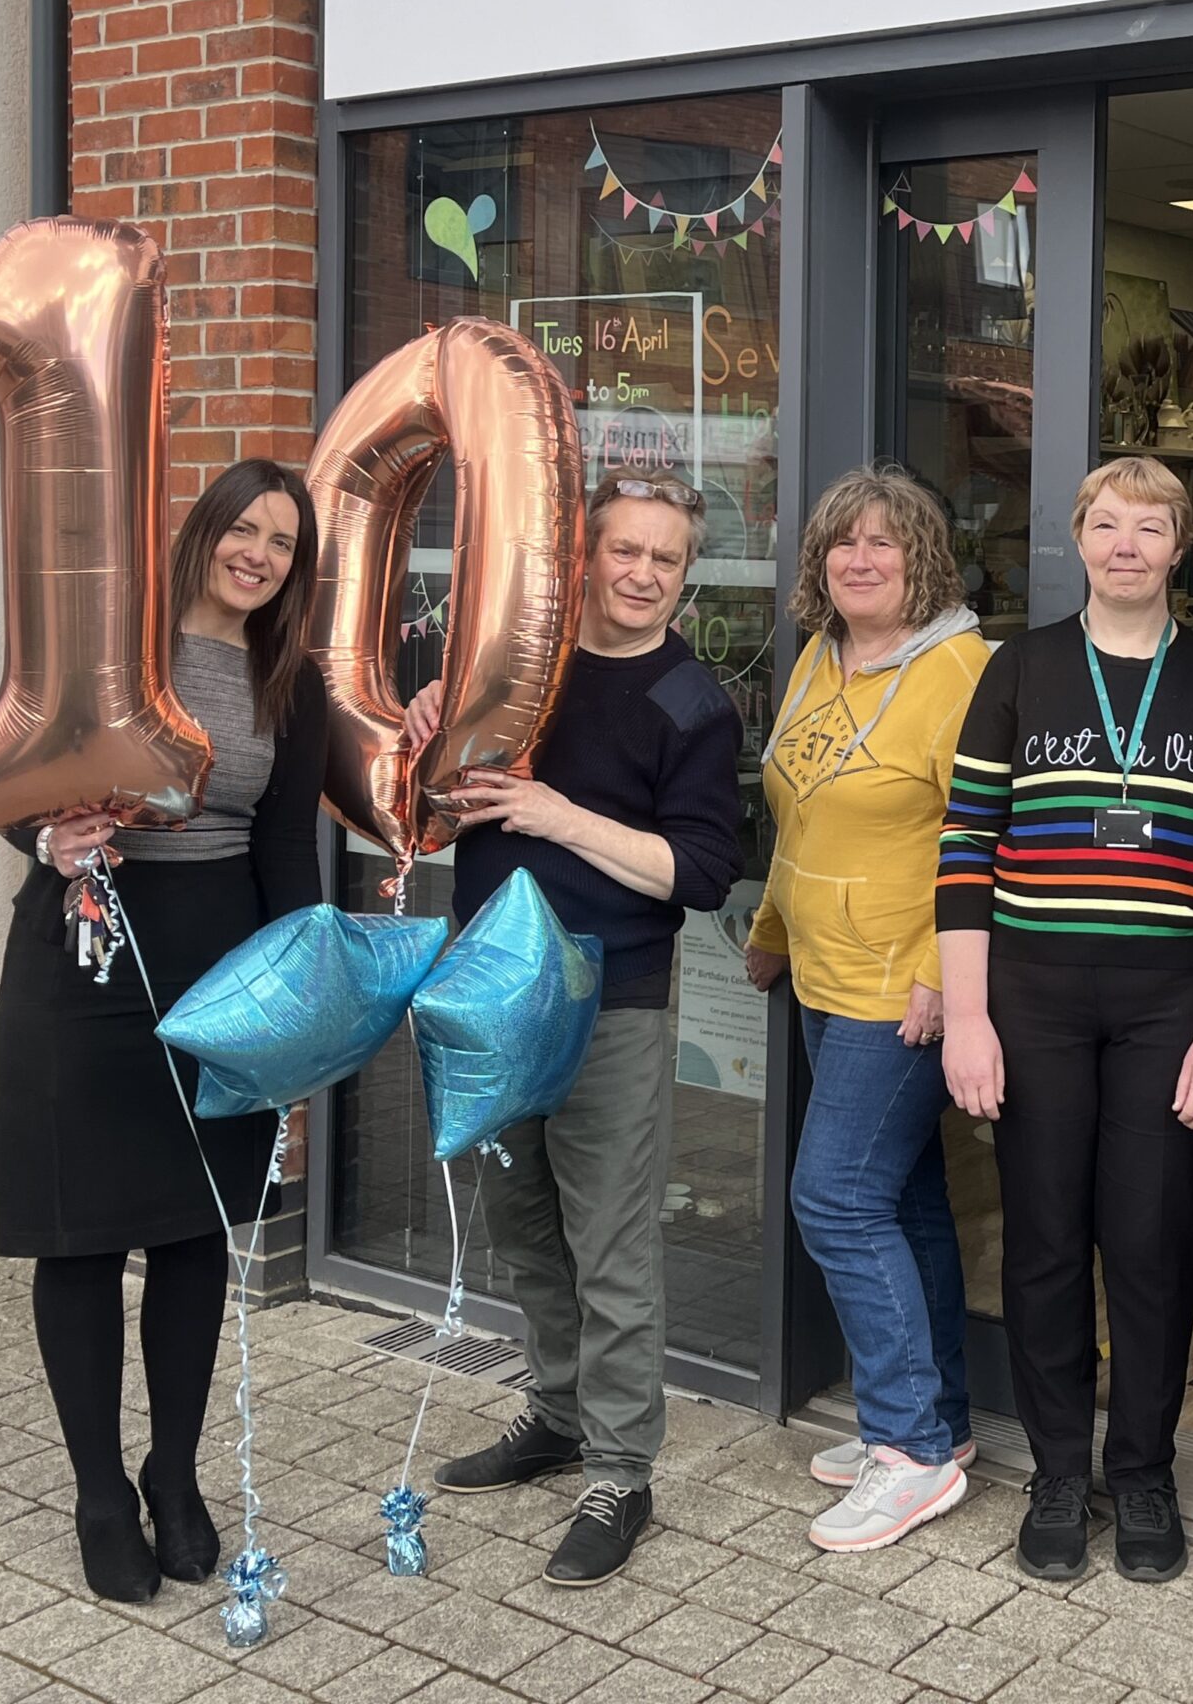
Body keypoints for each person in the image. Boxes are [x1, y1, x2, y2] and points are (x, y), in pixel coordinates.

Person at [0, 459, 328, 1604]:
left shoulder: (291, 679)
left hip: (221, 973)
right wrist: (47, 844)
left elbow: (289, 853)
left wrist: (296, 1011)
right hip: (82, 967)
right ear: (202, 531)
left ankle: (174, 1474)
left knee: (194, 1235)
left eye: (282, 542)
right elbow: (6, 780)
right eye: (243, 527)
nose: (258, 553)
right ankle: (98, 1493)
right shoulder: (107, 646)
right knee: (80, 1239)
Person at [936, 455, 1193, 1583]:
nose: (1127, 545)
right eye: (1107, 525)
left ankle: (1144, 1472)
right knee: (1039, 1244)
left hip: (1168, 1005)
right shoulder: (1018, 670)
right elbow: (964, 854)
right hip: (1032, 998)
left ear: (1182, 547)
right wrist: (969, 1019)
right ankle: (1059, 1473)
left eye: (1151, 526)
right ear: (1079, 541)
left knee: (1151, 1244)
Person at [415, 472, 742, 1588]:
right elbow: (422, 799)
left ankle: (619, 1470)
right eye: (627, 553)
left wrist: (557, 814)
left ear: (682, 575)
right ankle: (554, 1414)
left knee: (610, 1245)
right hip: (494, 999)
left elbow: (699, 874)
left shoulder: (692, 703)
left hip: (611, 1001)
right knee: (524, 1224)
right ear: (585, 556)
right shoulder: (516, 674)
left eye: (666, 559)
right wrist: (424, 736)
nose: (644, 574)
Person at [744, 465, 990, 1551]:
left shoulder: (963, 672)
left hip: (904, 987)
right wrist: (770, 933)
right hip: (819, 974)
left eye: (885, 543)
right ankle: (942, 1419)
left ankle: (909, 1452)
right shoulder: (818, 658)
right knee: (908, 1203)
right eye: (844, 542)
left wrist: (947, 974)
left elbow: (982, 839)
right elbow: (800, 820)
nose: (860, 558)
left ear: (921, 559)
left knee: (835, 1200)